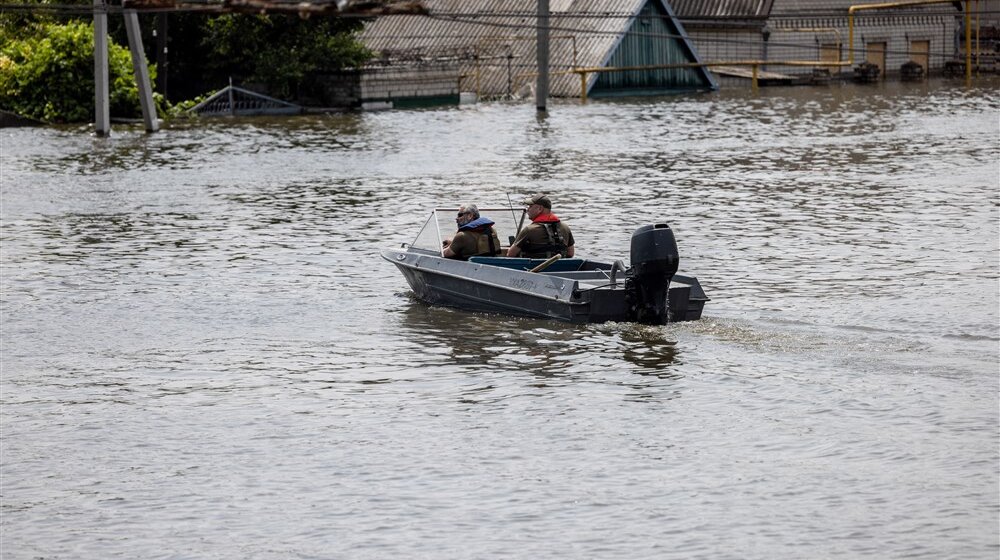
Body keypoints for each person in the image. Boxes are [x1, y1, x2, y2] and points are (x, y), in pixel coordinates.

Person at [506, 193, 575, 258]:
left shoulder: (529, 230)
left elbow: (510, 254)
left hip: (532, 268)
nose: (528, 209)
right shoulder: (565, 227)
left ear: (540, 209)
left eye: (530, 206)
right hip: (560, 268)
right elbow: (570, 253)